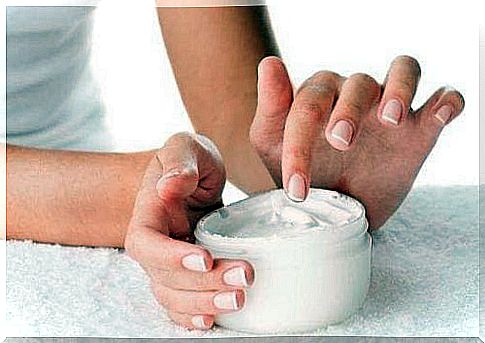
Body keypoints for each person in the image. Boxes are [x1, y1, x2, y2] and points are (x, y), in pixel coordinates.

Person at [5, 5, 464, 330]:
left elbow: (234, 114)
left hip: (90, 191)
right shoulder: (129, 194)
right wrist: (144, 189)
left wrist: (305, 166)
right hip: (77, 205)